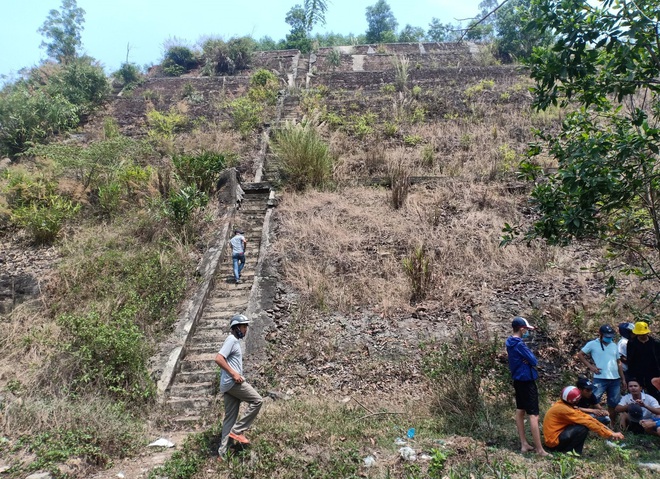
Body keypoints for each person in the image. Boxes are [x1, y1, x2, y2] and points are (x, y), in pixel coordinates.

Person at [215, 314, 263, 458]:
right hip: (233, 383)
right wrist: (234, 374)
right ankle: (237, 431)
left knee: (229, 418)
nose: (246, 329)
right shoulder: (231, 340)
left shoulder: (234, 341)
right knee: (257, 400)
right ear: (236, 328)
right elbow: (218, 358)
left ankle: (222, 453)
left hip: (227, 385)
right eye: (244, 326)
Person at [505, 316, 549, 456]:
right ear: (522, 329)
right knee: (534, 415)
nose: (527, 332)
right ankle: (540, 449)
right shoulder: (519, 344)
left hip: (518, 380)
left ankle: (524, 444)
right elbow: (534, 360)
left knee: (520, 410)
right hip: (527, 380)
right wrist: (528, 359)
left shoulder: (509, 342)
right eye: (527, 330)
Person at [543, 386, 624, 455]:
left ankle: (574, 452)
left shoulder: (564, 404)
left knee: (583, 425)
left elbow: (589, 418)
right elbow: (588, 422)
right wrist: (609, 434)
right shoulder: (565, 410)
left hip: (556, 437)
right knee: (582, 428)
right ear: (575, 400)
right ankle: (570, 452)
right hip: (554, 443)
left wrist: (611, 432)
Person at [576, 324, 625, 421]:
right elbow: (580, 355)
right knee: (593, 400)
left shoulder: (614, 345)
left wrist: (623, 379)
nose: (609, 338)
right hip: (600, 378)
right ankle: (591, 422)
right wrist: (591, 367)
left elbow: (618, 362)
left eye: (610, 336)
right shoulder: (592, 344)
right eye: (607, 336)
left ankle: (611, 424)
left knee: (613, 403)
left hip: (615, 379)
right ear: (600, 334)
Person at [627, 321, 660, 401]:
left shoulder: (654, 343)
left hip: (653, 373)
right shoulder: (632, 343)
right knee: (637, 395)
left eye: (644, 334)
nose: (642, 335)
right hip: (637, 373)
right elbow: (630, 359)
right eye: (640, 334)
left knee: (655, 394)